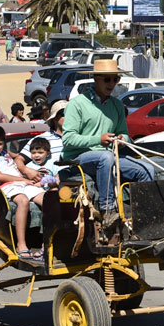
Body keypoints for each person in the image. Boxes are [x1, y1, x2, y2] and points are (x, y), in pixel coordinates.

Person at [62, 59, 151, 241]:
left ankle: (143, 218)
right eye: (107, 80)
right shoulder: (76, 104)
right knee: (105, 158)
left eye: (115, 80)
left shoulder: (117, 105)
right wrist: (98, 139)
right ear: (96, 79)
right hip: (79, 159)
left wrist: (121, 139)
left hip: (110, 156)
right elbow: (68, 139)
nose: (112, 84)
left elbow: (124, 134)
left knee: (146, 169)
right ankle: (108, 210)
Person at [0, 125, 46, 267]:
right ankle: (21, 244)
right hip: (6, 186)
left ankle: (47, 244)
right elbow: (0, 176)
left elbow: (20, 157)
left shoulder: (5, 153)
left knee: (48, 200)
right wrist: (25, 179)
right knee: (22, 201)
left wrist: (27, 168)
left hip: (22, 184)